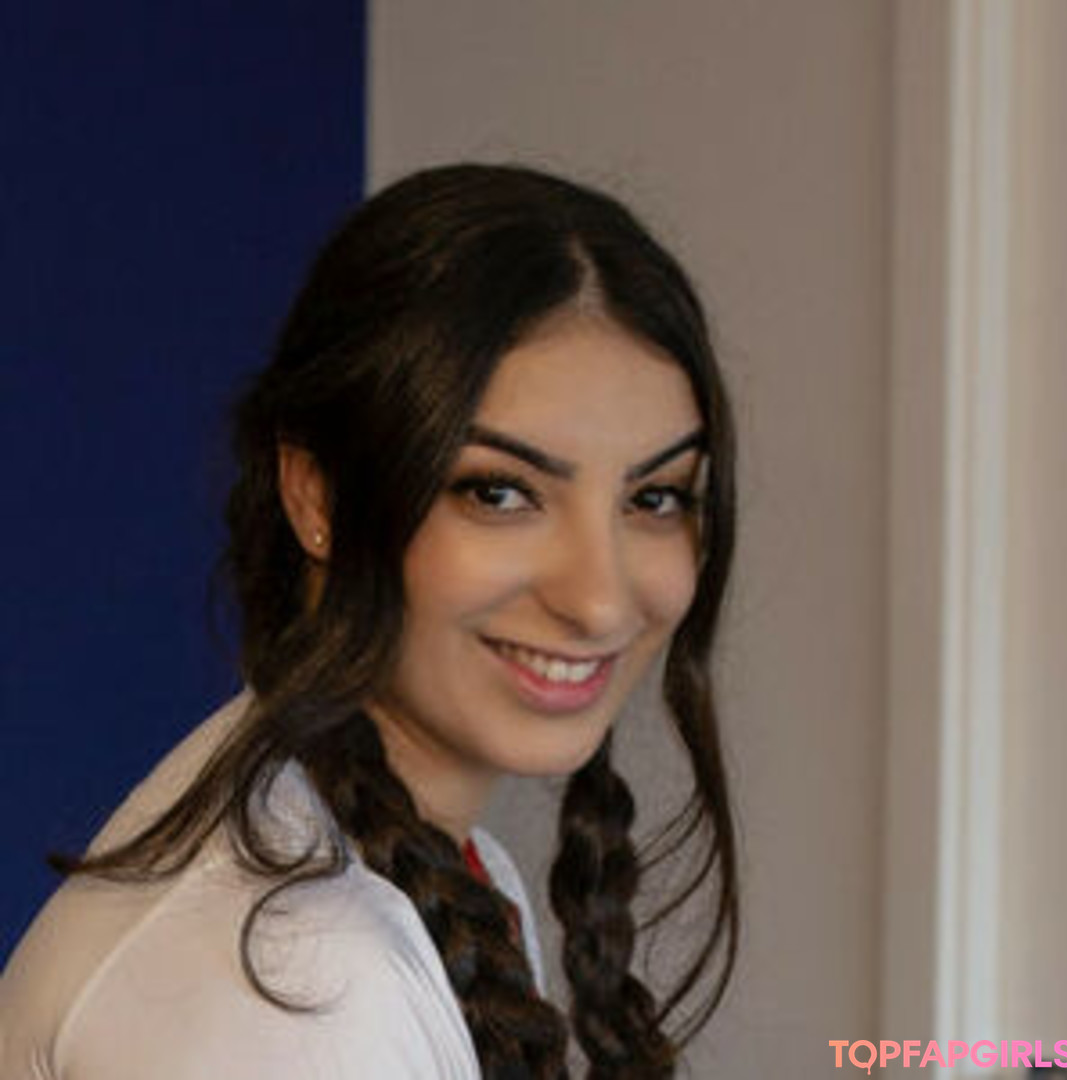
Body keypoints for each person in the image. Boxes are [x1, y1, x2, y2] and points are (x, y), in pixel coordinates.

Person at [0, 163, 739, 1079]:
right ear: (317, 494)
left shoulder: (420, 873)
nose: (599, 599)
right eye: (499, 492)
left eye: (655, 497)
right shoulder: (298, 984)